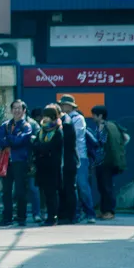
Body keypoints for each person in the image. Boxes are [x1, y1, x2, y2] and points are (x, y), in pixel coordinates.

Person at [0, 99, 34, 227]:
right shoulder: (5, 125)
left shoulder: (26, 126)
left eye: (19, 108)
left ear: (24, 111)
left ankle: (21, 217)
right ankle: (7, 217)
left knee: (20, 191)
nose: (16, 110)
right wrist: (12, 139)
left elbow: (20, 141)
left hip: (20, 161)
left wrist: (8, 139)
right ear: (11, 110)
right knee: (6, 191)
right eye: (14, 108)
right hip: (6, 161)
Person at [59, 95, 95, 224]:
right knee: (70, 187)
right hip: (66, 158)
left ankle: (90, 213)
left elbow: (74, 134)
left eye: (64, 105)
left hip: (80, 157)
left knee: (82, 185)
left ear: (70, 106)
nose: (62, 107)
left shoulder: (78, 118)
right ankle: (76, 213)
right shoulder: (61, 119)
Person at [90, 105, 127, 221]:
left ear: (100, 116)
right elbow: (125, 138)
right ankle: (103, 210)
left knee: (106, 187)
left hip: (105, 162)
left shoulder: (104, 127)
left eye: (94, 115)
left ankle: (109, 211)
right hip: (100, 162)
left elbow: (100, 142)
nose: (92, 117)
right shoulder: (109, 126)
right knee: (102, 187)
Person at [31, 104, 65, 225]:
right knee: (45, 193)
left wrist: (40, 147)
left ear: (53, 117)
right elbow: (35, 145)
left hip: (52, 168)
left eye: (47, 116)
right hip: (42, 167)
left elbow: (49, 148)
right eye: (44, 116)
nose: (44, 118)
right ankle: (49, 216)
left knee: (51, 193)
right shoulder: (42, 130)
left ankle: (52, 217)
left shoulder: (58, 131)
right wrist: (40, 147)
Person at [56, 105, 79, 224]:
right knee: (63, 189)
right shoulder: (65, 122)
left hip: (68, 162)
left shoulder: (67, 124)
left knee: (69, 188)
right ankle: (64, 214)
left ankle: (71, 215)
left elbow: (64, 143)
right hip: (65, 161)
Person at [27, 107, 45, 223]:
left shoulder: (34, 126)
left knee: (36, 189)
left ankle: (39, 212)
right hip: (29, 160)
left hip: (34, 162)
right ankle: (38, 212)